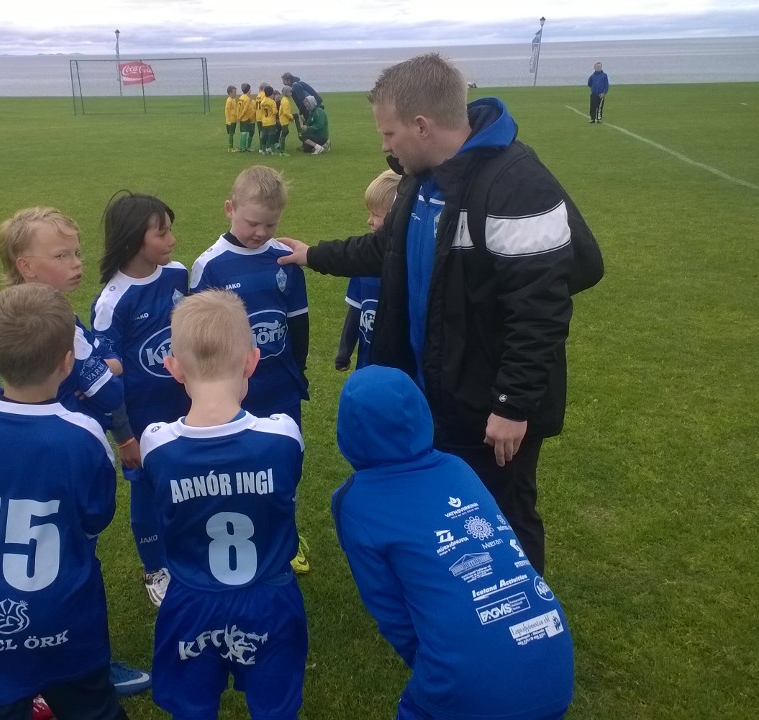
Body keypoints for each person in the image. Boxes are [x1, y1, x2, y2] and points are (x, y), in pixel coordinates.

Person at [276, 53, 602, 575]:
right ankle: (461, 600)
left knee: (504, 513)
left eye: (389, 133)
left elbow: (539, 310)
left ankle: (523, 613)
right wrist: (314, 254)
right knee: (454, 514)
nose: (385, 146)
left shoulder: (516, 183)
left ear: (422, 126)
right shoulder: (422, 178)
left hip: (489, 404)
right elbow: (387, 250)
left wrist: (512, 403)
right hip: (434, 393)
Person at [0, 282, 130, 720]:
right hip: (64, 615)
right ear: (67, 361)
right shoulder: (83, 435)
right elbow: (95, 518)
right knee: (91, 708)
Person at [332, 366, 574, 720]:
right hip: (554, 655)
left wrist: (432, 664)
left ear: (348, 430)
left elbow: (389, 609)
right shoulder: (457, 466)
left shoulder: (355, 501)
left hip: (466, 683)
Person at [0, 206, 153, 697]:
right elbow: (109, 387)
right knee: (74, 565)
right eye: (62, 255)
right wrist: (120, 418)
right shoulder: (55, 320)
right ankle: (85, 669)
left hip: (22, 454)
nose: (77, 263)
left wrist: (101, 359)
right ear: (26, 265)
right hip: (66, 455)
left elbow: (99, 359)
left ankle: (28, 662)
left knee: (33, 561)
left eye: (77, 252)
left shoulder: (16, 314)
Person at [139, 290, 308, 720]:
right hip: (269, 596)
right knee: (275, 709)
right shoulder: (282, 435)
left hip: (191, 599)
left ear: (173, 367)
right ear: (252, 360)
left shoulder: (156, 443)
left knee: (192, 708)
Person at [190, 165, 311, 575]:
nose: (260, 232)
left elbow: (297, 321)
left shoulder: (284, 259)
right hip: (231, 390)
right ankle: (239, 531)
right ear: (230, 209)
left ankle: (284, 532)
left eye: (270, 224)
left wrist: (298, 368)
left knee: (286, 459)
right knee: (235, 464)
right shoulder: (210, 265)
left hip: (281, 386)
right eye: (252, 222)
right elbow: (200, 335)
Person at [91, 192, 191, 608]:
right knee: (147, 492)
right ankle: (155, 568)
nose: (172, 240)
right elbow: (104, 377)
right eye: (162, 233)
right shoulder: (112, 300)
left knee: (186, 481)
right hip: (141, 419)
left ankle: (186, 552)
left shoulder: (178, 275)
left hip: (186, 408)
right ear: (134, 239)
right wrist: (125, 436)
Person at [334, 170, 399, 372]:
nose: (369, 220)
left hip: (399, 370)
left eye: (376, 215)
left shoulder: (408, 267)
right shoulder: (365, 263)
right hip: (366, 368)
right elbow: (356, 310)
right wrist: (344, 351)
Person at [258, 87, 279, 155]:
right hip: (271, 121)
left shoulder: (263, 101)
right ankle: (270, 149)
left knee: (264, 136)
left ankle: (263, 150)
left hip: (264, 121)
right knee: (272, 135)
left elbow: (261, 110)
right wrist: (277, 110)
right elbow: (274, 112)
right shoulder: (272, 102)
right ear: (272, 93)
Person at [236, 83, 256, 153]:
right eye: (250, 89)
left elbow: (238, 108)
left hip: (241, 117)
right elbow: (245, 109)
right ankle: (244, 148)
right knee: (244, 132)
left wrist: (238, 116)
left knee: (242, 132)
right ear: (248, 90)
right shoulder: (247, 99)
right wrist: (241, 117)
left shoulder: (241, 97)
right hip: (245, 117)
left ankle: (241, 147)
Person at [276, 89, 294, 155]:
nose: (291, 94)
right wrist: (291, 118)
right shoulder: (285, 101)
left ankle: (280, 146)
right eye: (290, 92)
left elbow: (281, 111)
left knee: (285, 132)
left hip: (283, 120)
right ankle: (282, 151)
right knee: (283, 135)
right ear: (286, 93)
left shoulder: (283, 99)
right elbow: (286, 112)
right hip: (284, 121)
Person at [224, 85, 238, 152]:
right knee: (231, 134)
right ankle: (230, 148)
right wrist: (228, 121)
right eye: (234, 92)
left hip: (234, 119)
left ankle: (232, 147)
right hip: (230, 120)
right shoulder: (229, 100)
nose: (235, 93)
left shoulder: (234, 100)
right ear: (230, 93)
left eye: (235, 92)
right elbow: (227, 111)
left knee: (232, 133)